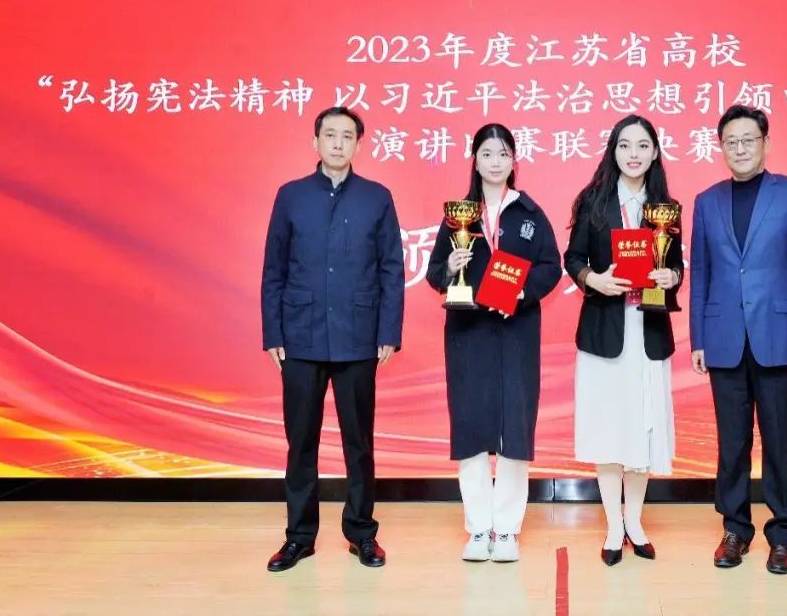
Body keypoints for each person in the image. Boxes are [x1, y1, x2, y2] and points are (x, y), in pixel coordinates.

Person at [261, 106, 404, 572]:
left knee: (358, 442)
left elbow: (391, 269)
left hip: (358, 336)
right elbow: (274, 269)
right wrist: (273, 332)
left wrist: (388, 332)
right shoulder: (291, 196)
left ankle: (362, 533)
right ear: (315, 142)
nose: (338, 143)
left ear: (359, 144)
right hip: (300, 336)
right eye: (330, 135)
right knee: (300, 442)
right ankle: (299, 537)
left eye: (347, 136)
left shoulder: (377, 198)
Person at [689, 104, 787, 575]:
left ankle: (783, 534)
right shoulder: (707, 201)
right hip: (723, 337)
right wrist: (699, 337)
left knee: (780, 441)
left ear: (766, 143)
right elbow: (701, 273)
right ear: (721, 147)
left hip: (779, 337)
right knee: (732, 443)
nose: (740, 149)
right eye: (731, 141)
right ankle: (735, 530)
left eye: (749, 140)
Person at [425, 123, 562, 563]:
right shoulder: (458, 217)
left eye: (503, 153)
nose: (496, 162)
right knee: (470, 428)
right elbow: (434, 274)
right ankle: (478, 527)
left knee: (514, 429)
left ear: (514, 160)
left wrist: (521, 292)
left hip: (516, 333)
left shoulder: (530, 213)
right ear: (475, 160)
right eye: (487, 153)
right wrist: (451, 265)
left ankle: (506, 530)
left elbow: (551, 266)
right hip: (468, 334)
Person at [563, 114, 682, 567]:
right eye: (625, 145)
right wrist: (593, 279)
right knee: (608, 427)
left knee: (643, 428)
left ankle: (635, 520)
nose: (634, 154)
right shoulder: (592, 200)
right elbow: (573, 257)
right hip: (605, 331)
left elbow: (677, 266)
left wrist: (671, 276)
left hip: (648, 331)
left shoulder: (666, 207)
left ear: (655, 152)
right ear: (613, 151)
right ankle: (614, 524)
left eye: (643, 145)